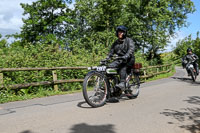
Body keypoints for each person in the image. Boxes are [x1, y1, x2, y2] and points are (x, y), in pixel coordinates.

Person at [106, 25, 135, 91]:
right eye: (119, 32)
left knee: (122, 66)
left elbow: (131, 50)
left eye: (121, 32)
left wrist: (126, 56)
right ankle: (112, 84)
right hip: (119, 59)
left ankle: (122, 83)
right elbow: (111, 52)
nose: (120, 33)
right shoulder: (115, 43)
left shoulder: (129, 40)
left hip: (129, 59)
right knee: (109, 67)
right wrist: (107, 58)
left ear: (124, 33)